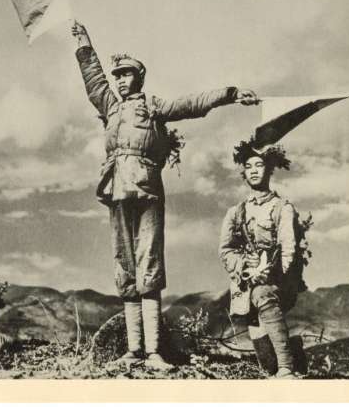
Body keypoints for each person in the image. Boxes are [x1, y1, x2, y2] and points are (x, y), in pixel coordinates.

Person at [71, 21, 259, 370]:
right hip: (115, 189)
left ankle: (154, 352)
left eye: (127, 74)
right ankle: (133, 351)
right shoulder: (110, 107)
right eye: (118, 75)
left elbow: (190, 104)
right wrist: (84, 43)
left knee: (150, 265)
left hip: (146, 190)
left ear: (139, 78)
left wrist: (230, 94)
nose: (120, 80)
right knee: (124, 266)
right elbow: (93, 79)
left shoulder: (154, 106)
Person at [218, 140, 311, 379]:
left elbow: (288, 249)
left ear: (269, 170)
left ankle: (287, 368)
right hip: (247, 282)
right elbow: (226, 250)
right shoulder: (236, 212)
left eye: (259, 165)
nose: (254, 171)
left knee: (262, 294)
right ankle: (293, 354)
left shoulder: (282, 208)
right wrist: (243, 265)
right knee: (266, 363)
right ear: (243, 173)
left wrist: (270, 273)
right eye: (249, 167)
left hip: (279, 280)